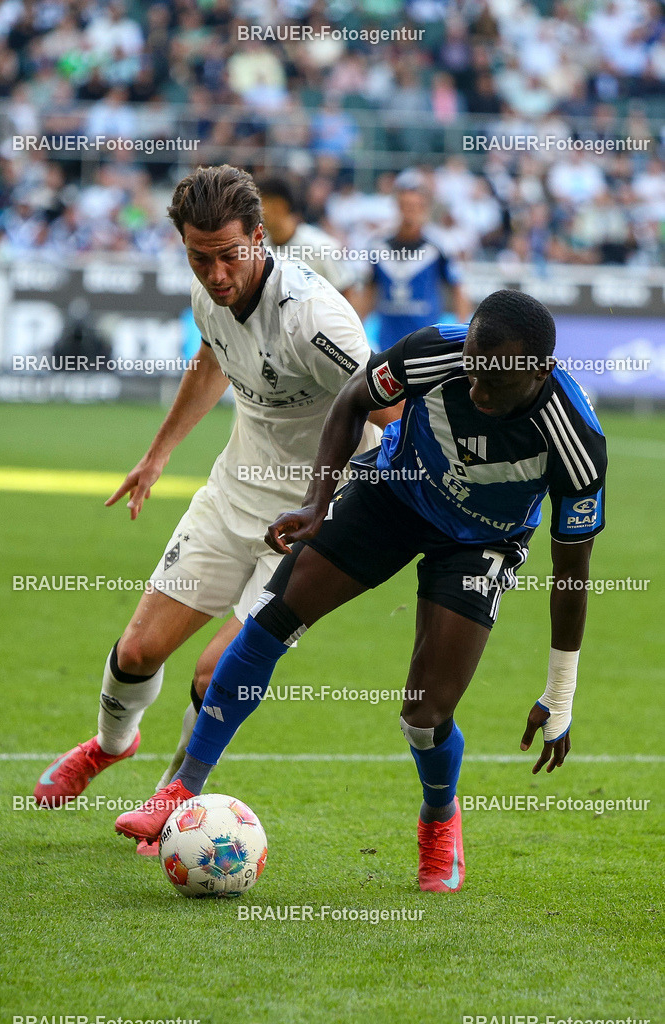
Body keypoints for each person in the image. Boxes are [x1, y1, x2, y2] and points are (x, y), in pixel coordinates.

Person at [114, 289, 607, 893]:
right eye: (472, 371)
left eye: (494, 383)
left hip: (481, 541)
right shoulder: (434, 352)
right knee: (269, 620)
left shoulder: (577, 442)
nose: (477, 390)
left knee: (425, 716)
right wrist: (317, 502)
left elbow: (572, 575)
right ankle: (183, 787)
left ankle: (439, 818)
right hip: (392, 495)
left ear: (539, 371)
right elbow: (353, 400)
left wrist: (560, 693)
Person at [33, 165, 394, 845]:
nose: (217, 273)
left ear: (259, 237)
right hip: (232, 495)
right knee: (137, 651)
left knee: (214, 670)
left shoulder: (315, 319)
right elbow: (211, 359)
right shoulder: (207, 294)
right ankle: (110, 745)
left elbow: (391, 414)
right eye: (200, 258)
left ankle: (173, 798)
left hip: (308, 521)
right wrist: (157, 455)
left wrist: (362, 510)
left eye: (229, 255)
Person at [356, 176, 471, 351]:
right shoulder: (378, 247)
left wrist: (462, 335)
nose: (410, 212)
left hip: (426, 343)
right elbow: (369, 290)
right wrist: (358, 328)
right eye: (405, 205)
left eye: (416, 206)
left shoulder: (439, 246)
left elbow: (458, 288)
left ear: (425, 208)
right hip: (387, 343)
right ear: (397, 206)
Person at [256, 175, 358, 302]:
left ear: (279, 206)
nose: (254, 212)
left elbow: (347, 291)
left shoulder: (320, 247)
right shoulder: (258, 249)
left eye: (259, 205)